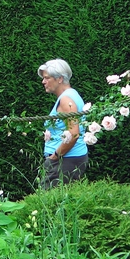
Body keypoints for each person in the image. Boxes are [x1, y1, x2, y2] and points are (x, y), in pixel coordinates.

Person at [38, 58, 88, 189]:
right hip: (68, 159)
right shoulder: (71, 95)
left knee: (50, 202)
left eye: (47, 78)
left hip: (65, 160)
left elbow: (74, 133)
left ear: (59, 79)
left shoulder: (66, 100)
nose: (43, 81)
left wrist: (55, 156)